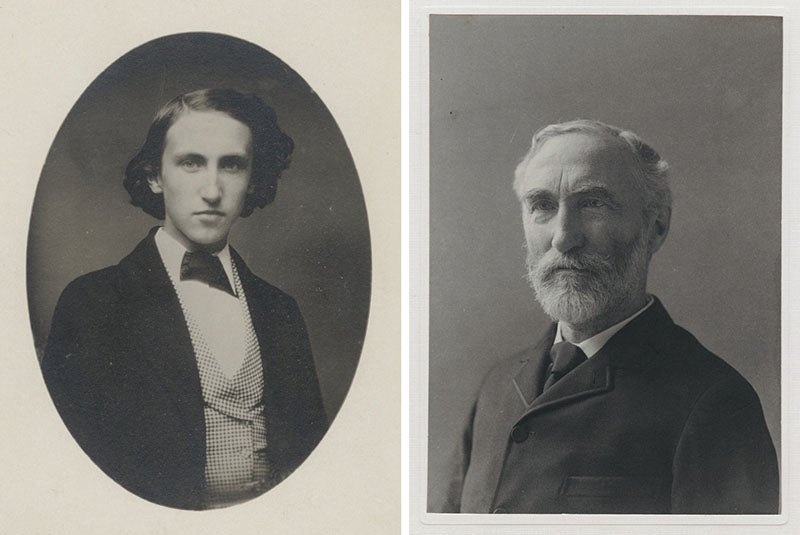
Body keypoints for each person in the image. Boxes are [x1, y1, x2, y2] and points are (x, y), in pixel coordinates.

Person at [434, 120, 779, 514]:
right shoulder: (497, 386)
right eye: (542, 206)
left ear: (656, 227)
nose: (564, 237)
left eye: (593, 203)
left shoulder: (713, 402)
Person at [42, 88, 328, 510]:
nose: (212, 190)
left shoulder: (279, 309)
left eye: (231, 165)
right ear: (155, 175)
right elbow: (64, 475)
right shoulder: (94, 304)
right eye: (191, 163)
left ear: (253, 180)